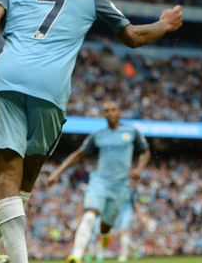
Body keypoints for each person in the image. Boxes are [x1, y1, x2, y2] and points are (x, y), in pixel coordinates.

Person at [0, 0, 183, 263]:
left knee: (7, 177)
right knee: (23, 185)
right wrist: (165, 24)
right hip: (53, 92)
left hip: (8, 80)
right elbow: (132, 36)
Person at [46, 101, 150, 263]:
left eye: (113, 110)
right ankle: (76, 255)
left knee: (105, 226)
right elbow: (79, 154)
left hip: (121, 186)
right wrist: (57, 172)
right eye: (106, 111)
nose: (110, 113)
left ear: (119, 112)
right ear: (103, 114)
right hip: (100, 182)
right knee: (89, 216)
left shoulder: (131, 132)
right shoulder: (98, 135)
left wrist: (138, 169)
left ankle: (105, 234)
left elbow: (145, 152)